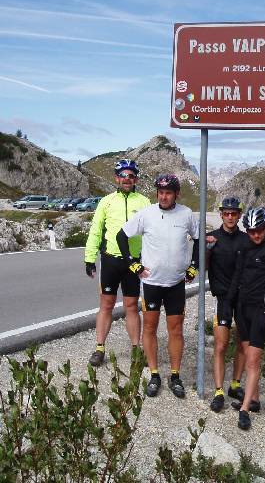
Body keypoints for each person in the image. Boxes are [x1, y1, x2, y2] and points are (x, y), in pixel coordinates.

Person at [116, 174, 199, 399]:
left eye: (168, 192)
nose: (163, 196)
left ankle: (175, 375)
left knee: (175, 330)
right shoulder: (147, 214)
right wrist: (132, 263)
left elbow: (199, 240)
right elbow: (121, 236)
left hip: (176, 284)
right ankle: (154, 374)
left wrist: (195, 266)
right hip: (151, 283)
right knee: (150, 328)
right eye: (160, 192)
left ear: (176, 194)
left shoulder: (187, 214)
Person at [84, 159, 150, 367]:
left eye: (131, 175)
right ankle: (100, 348)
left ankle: (135, 348)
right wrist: (89, 257)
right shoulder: (106, 201)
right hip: (111, 259)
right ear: (117, 178)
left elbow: (152, 232)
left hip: (133, 262)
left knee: (131, 306)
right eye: (123, 175)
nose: (127, 179)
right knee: (106, 304)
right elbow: (96, 229)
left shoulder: (144, 202)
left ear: (136, 179)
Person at [226, 207, 265, 430]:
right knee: (247, 355)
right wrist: (229, 305)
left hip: (260, 311)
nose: (256, 235)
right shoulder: (244, 247)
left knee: (252, 361)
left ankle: (244, 409)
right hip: (242, 310)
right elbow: (237, 277)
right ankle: (255, 400)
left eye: (260, 230)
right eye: (252, 231)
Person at [206, 197, 247, 412]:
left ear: (239, 215)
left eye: (234, 213)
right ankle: (219, 391)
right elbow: (201, 263)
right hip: (222, 298)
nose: (230, 217)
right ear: (221, 214)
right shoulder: (212, 238)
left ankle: (235, 384)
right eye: (226, 213)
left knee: (241, 344)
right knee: (221, 345)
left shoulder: (245, 239)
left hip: (242, 299)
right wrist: (206, 249)